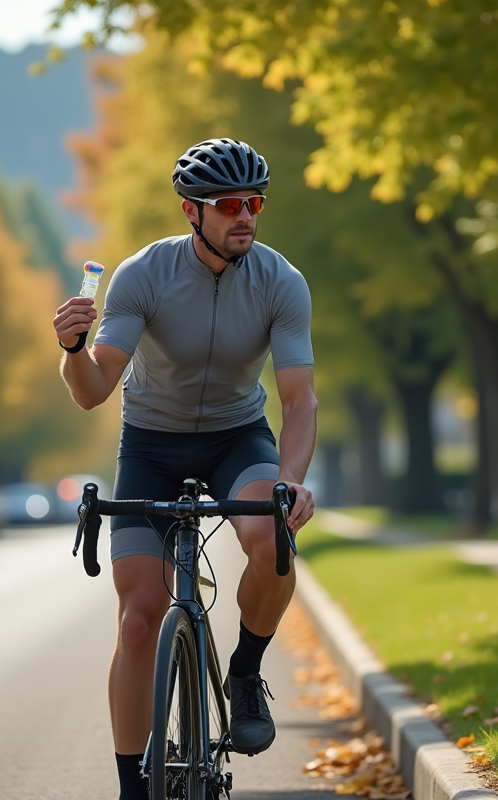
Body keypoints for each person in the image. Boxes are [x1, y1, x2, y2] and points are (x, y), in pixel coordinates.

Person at [53, 138, 317, 800]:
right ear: (190, 213)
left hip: (237, 439)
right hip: (150, 446)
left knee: (271, 542)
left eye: (253, 202)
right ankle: (131, 790)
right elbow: (91, 390)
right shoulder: (142, 275)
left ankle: (246, 670)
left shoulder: (281, 281)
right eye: (228, 205)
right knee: (140, 615)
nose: (245, 216)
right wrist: (72, 348)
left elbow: (299, 399)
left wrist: (289, 480)